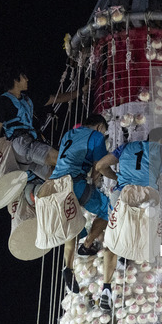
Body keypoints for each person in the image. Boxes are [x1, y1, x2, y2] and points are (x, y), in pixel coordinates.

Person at [94, 127, 162, 310]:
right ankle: (142, 217)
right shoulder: (160, 148)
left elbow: (100, 166)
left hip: (122, 193)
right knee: (148, 240)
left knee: (112, 242)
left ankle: (106, 288)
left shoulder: (126, 147)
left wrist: (116, 177)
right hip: (146, 193)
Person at [48, 114, 112, 292]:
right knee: (109, 209)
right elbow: (100, 166)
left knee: (72, 225)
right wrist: (116, 177)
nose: (103, 135)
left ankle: (68, 268)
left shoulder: (69, 133)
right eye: (104, 132)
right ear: (100, 127)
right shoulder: (96, 136)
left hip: (55, 186)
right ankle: (87, 246)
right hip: (74, 184)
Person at [0, 61, 79, 182]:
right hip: (21, 143)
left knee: (54, 177)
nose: (27, 79)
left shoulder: (28, 99)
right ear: (15, 80)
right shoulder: (2, 103)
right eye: (23, 76)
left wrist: (80, 92)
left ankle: (60, 196)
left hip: (25, 153)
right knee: (60, 159)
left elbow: (57, 99)